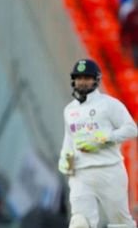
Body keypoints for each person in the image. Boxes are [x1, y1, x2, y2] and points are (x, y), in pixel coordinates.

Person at [58, 59, 137, 228]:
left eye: (87, 78)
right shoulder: (69, 110)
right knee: (80, 223)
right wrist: (64, 158)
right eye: (79, 78)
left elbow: (132, 129)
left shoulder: (109, 105)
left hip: (109, 170)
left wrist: (105, 138)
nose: (82, 82)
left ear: (96, 80)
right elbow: (69, 140)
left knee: (120, 223)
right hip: (81, 173)